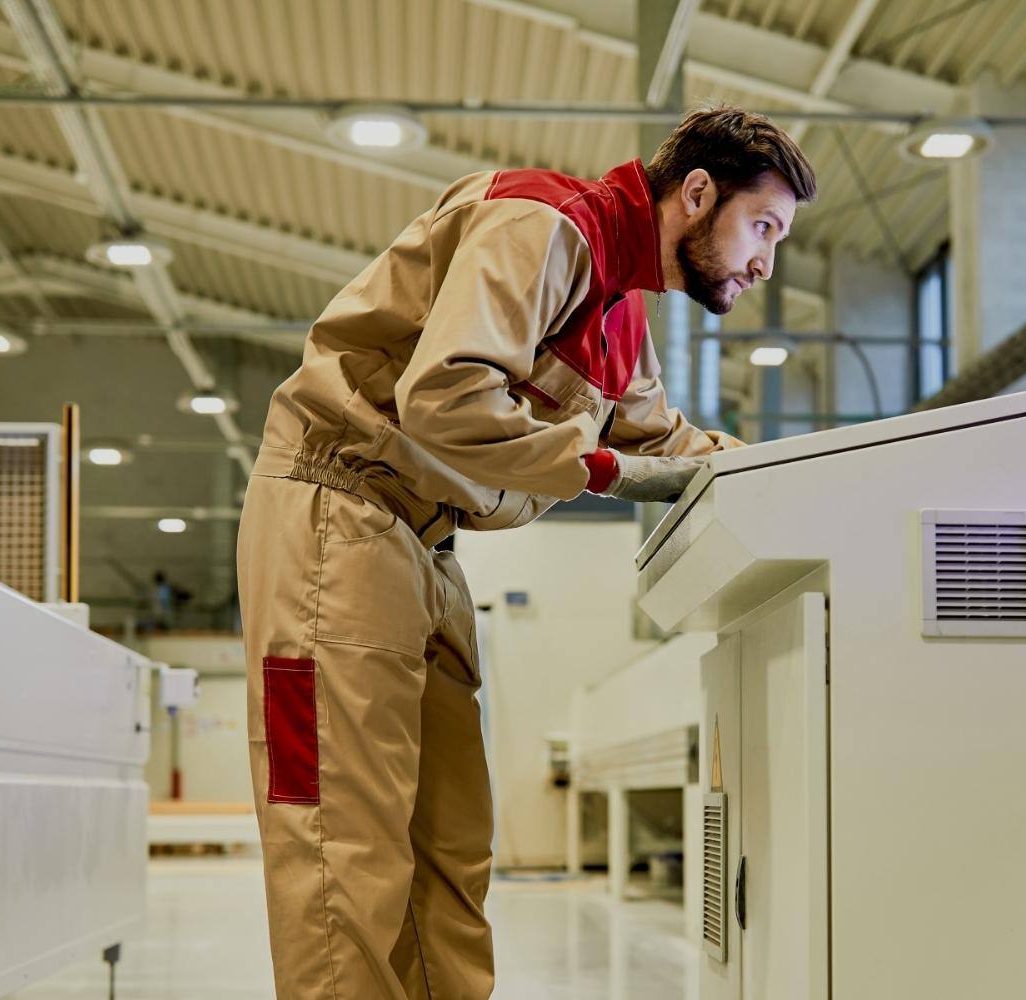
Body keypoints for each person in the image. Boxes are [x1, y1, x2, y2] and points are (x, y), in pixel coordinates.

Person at [236, 105, 816, 1000]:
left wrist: (813, 470)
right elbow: (446, 395)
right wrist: (600, 469)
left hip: (426, 543)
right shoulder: (541, 223)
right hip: (335, 513)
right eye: (763, 226)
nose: (766, 262)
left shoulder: (625, 318)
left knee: (449, 856)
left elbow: (669, 443)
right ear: (697, 194)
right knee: (339, 853)